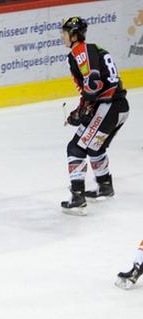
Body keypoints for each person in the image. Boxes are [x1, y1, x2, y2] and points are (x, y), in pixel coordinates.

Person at [59, 16, 130, 216]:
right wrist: (81, 110)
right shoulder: (93, 49)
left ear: (73, 35)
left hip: (108, 107)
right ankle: (105, 185)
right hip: (119, 107)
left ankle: (78, 197)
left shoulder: (80, 51)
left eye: (64, 33)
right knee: (94, 145)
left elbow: (93, 83)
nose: (62, 37)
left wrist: (85, 108)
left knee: (76, 147)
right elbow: (94, 86)